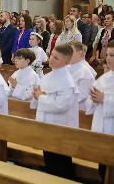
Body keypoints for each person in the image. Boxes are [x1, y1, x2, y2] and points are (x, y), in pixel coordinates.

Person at [31, 44, 79, 180]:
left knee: (61, 165)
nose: (51, 59)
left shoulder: (67, 82)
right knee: (49, 161)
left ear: (66, 62)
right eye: (51, 55)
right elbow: (41, 97)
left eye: (56, 58)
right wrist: (36, 96)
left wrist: (41, 97)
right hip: (47, 127)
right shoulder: (48, 76)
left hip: (60, 130)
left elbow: (61, 105)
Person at [86, 41, 114, 182]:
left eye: (112, 55)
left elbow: (104, 99)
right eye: (107, 55)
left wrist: (106, 99)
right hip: (101, 128)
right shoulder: (104, 77)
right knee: (102, 170)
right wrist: (93, 99)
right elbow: (89, 104)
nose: (108, 58)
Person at [67, 41, 96, 111]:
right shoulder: (67, 67)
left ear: (79, 53)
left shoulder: (86, 72)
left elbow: (83, 95)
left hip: (79, 109)